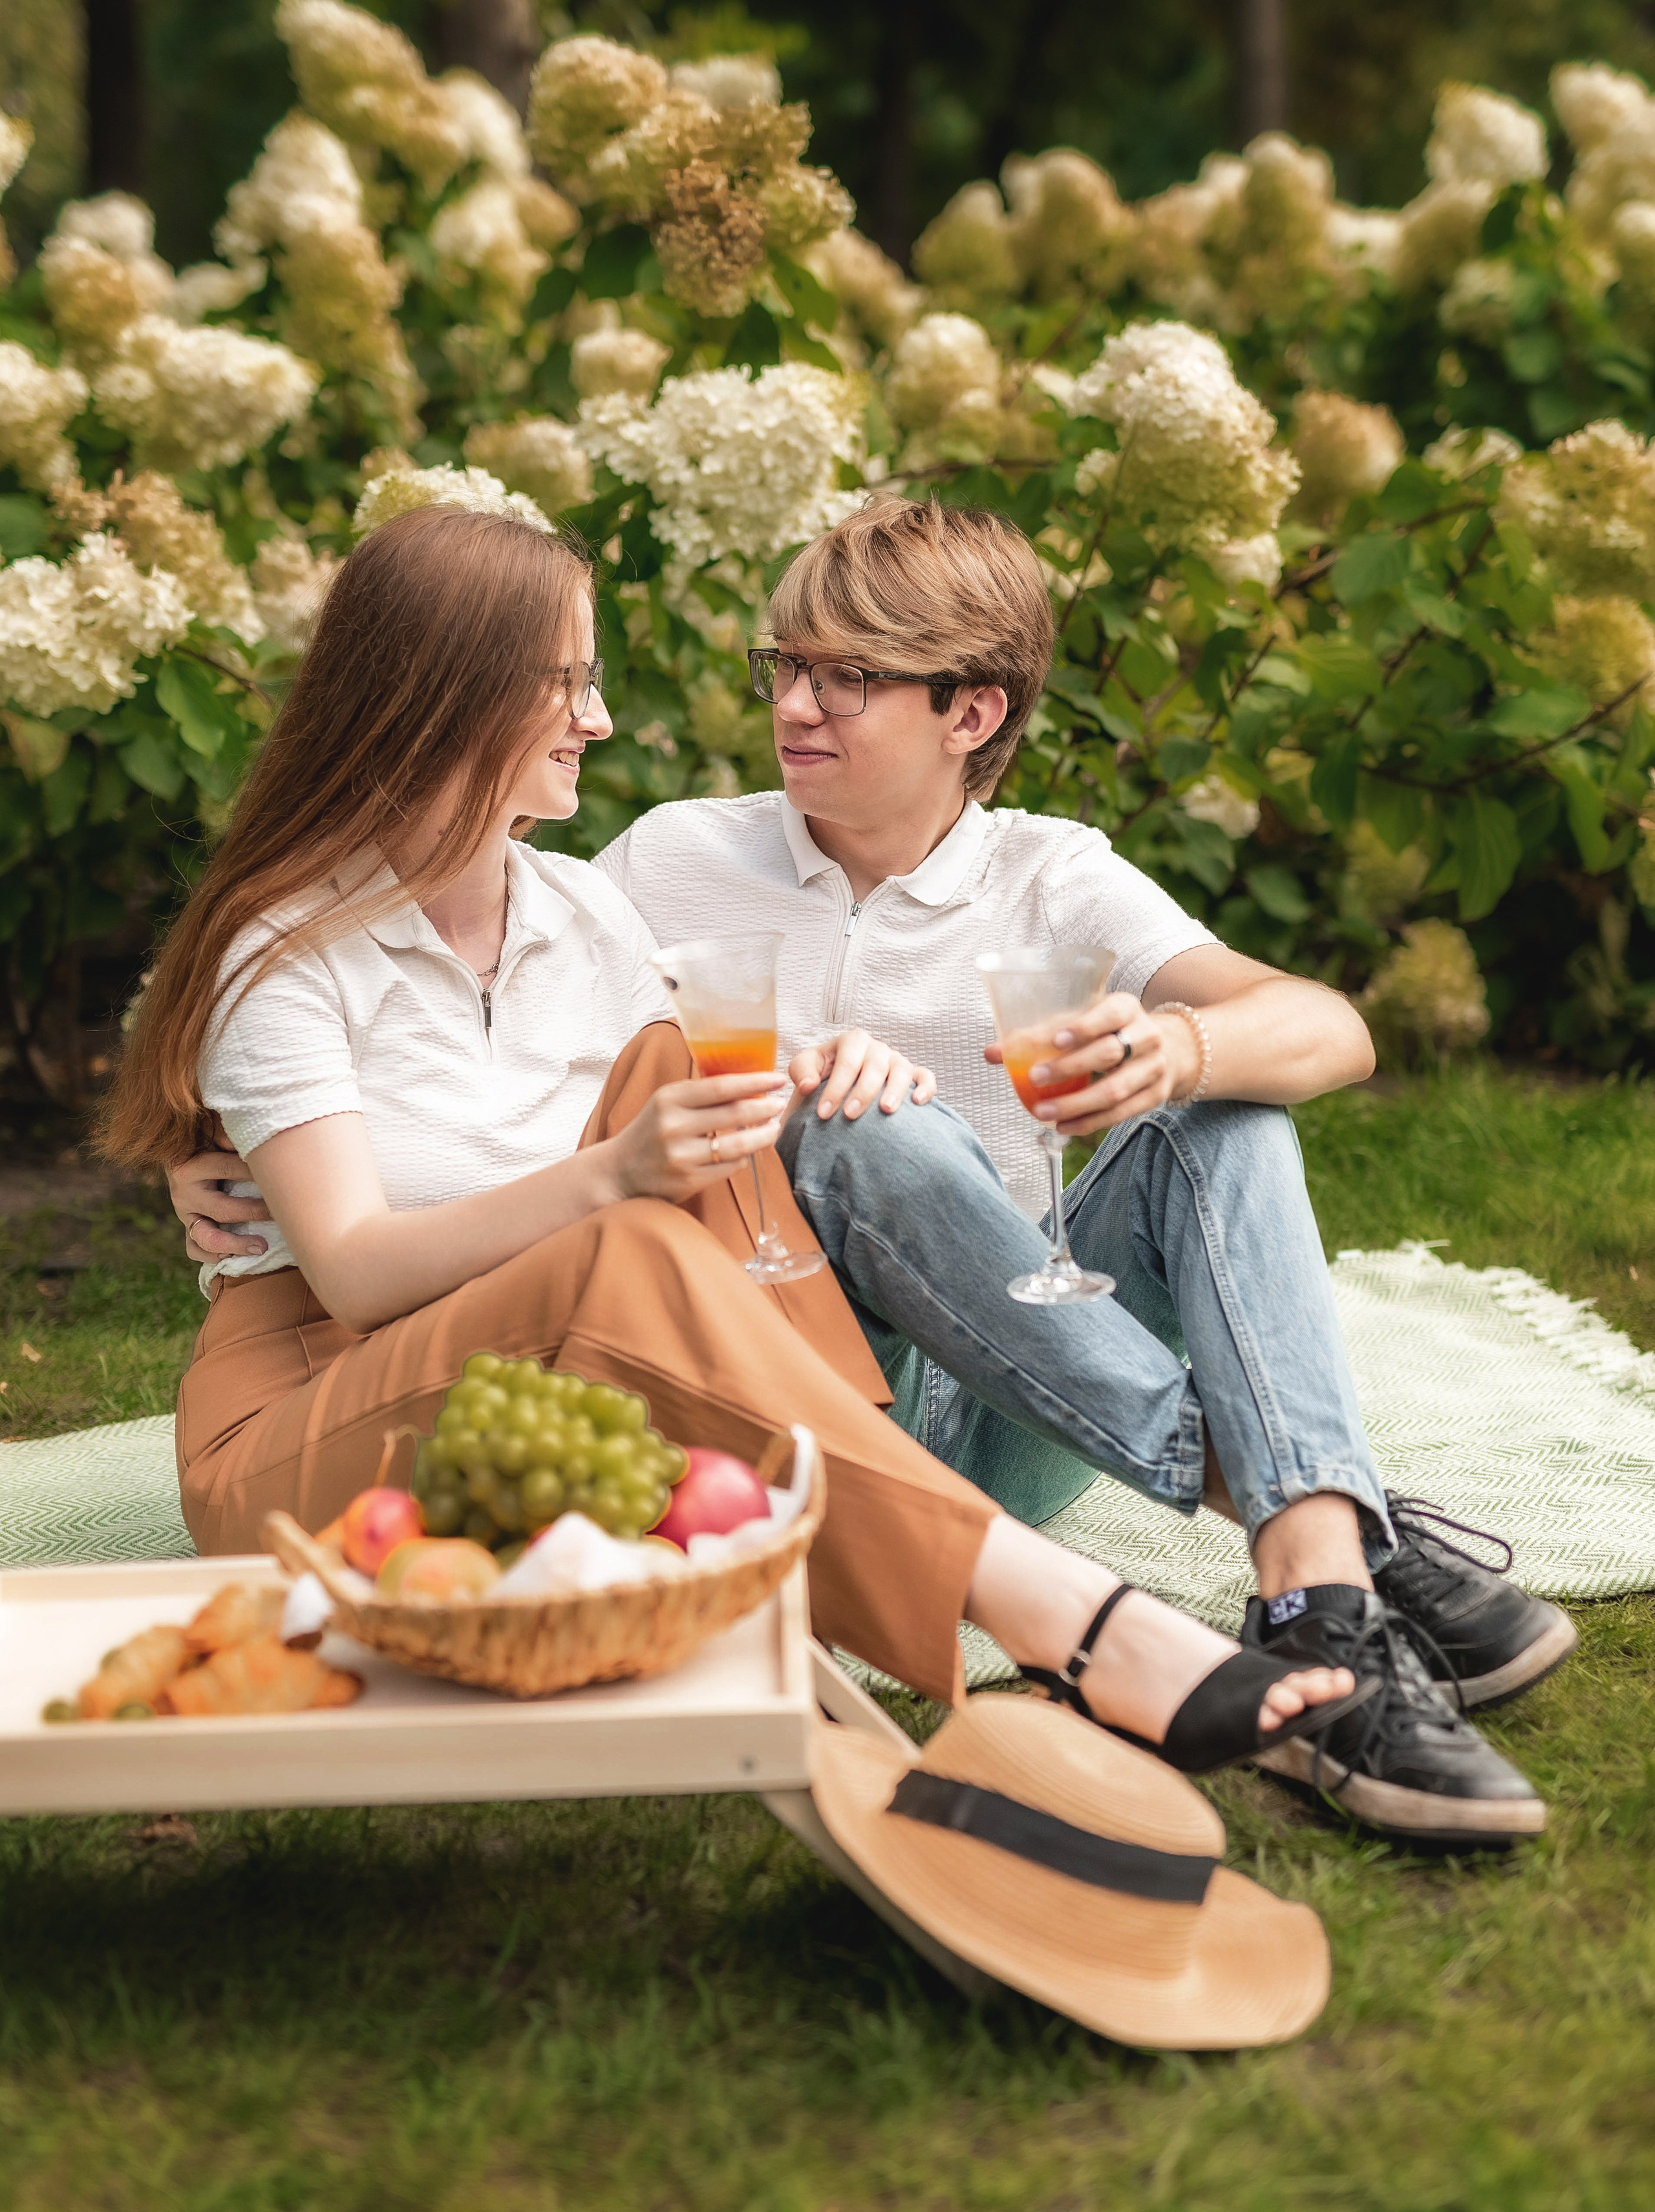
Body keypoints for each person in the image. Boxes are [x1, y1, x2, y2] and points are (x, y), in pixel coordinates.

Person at [164, 500, 1558, 1840]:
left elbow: (1325, 1029)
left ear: (971, 714)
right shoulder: (642, 870)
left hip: (965, 1371)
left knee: (1220, 1117)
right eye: (787, 667)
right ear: (448, 694)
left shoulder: (651, 904)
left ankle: (1303, 1562)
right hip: (642, 1361)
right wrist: (206, 1160)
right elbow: (347, 1115)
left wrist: (1166, 1049)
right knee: (747, 1175)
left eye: (848, 679)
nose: (792, 706)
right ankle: (1302, 1544)